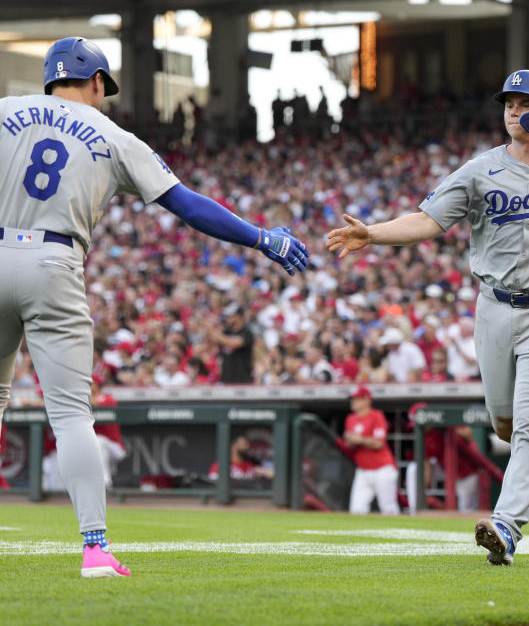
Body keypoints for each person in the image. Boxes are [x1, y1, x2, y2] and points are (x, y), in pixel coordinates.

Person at [0, 37, 309, 578]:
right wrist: (262, 238)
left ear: (50, 78)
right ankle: (94, 548)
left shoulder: (4, 111)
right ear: (96, 82)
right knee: (71, 414)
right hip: (54, 261)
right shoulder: (115, 136)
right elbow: (189, 207)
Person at [327, 69, 529, 565]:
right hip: (494, 306)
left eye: (523, 103)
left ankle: (505, 526)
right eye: (508, 102)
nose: (511, 111)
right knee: (505, 425)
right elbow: (428, 220)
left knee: (527, 423)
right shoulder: (479, 170)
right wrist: (372, 233)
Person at [343, 385, 399, 515]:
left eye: (358, 399)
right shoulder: (350, 419)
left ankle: (397, 533)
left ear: (367, 400)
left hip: (382, 469)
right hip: (363, 470)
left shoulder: (376, 416)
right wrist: (351, 440)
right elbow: (349, 444)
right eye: (353, 399)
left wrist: (360, 440)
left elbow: (379, 443)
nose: (354, 402)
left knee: (388, 508)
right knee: (357, 509)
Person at [206, 303, 254, 384]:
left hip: (243, 381)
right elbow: (211, 340)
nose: (227, 319)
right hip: (226, 380)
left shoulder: (246, 333)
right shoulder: (226, 332)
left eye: (230, 316)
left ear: (239, 317)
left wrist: (212, 330)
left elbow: (232, 343)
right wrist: (210, 326)